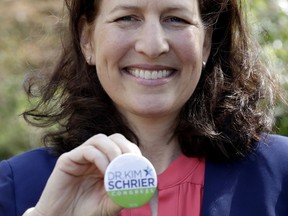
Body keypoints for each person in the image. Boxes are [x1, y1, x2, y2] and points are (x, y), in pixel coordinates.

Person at [0, 0, 287, 215]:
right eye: (127, 17)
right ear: (87, 40)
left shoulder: (279, 174)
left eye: (175, 19)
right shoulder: (16, 187)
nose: (153, 46)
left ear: (207, 42)